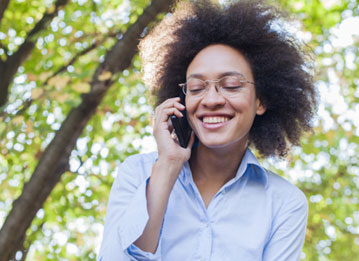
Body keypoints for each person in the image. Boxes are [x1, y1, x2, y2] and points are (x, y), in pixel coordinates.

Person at [98, 0, 317, 260]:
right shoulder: (137, 174)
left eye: (232, 85)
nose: (211, 100)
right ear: (180, 99)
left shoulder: (284, 203)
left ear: (261, 100)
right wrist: (168, 166)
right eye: (197, 87)